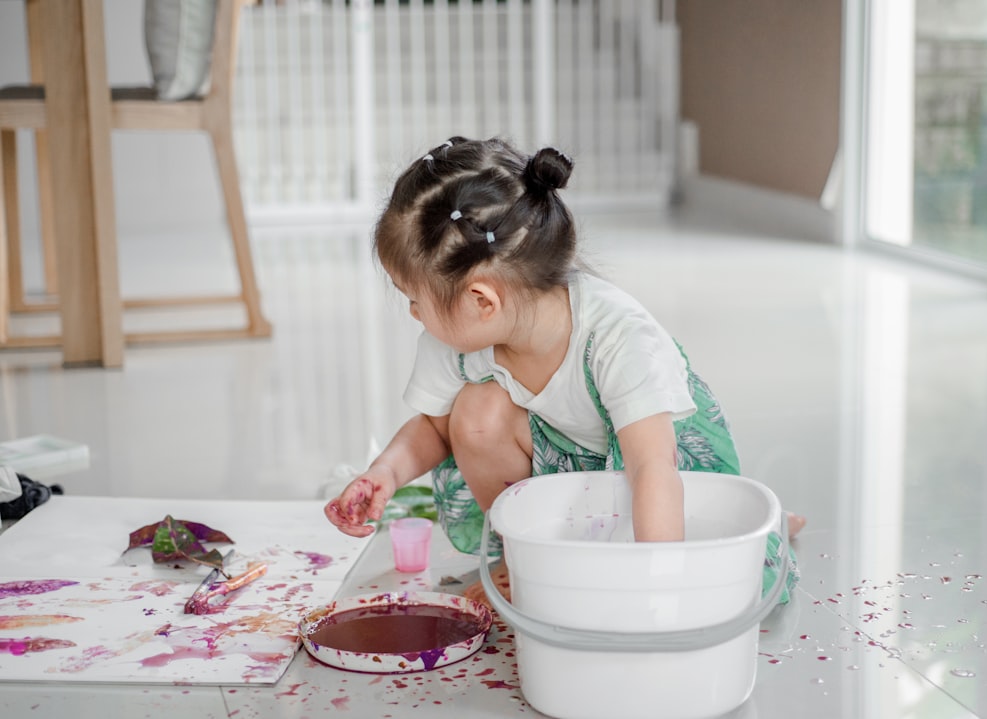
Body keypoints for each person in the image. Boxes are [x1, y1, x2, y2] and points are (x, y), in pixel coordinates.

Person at [324, 137, 803, 604]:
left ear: (481, 301)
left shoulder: (617, 336)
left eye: (414, 300)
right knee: (472, 413)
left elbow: (652, 467)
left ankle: (775, 521)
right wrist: (384, 473)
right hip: (566, 465)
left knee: (709, 557)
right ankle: (524, 558)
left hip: (656, 468)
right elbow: (434, 426)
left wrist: (659, 583)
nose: (413, 314)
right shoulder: (457, 338)